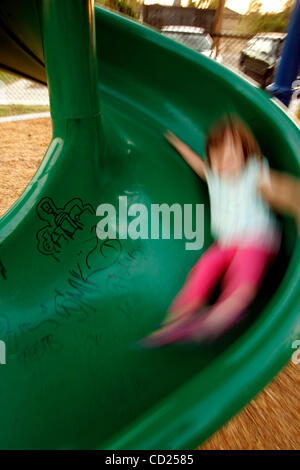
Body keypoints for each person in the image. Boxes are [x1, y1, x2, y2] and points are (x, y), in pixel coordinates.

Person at [142, 116, 281, 346]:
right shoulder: (215, 178)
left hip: (257, 239)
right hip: (225, 244)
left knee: (243, 271)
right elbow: (198, 165)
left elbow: (275, 187)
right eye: (218, 156)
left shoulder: (254, 174)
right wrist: (179, 145)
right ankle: (180, 315)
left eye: (232, 155)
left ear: (247, 155)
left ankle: (229, 309)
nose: (225, 162)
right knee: (204, 267)